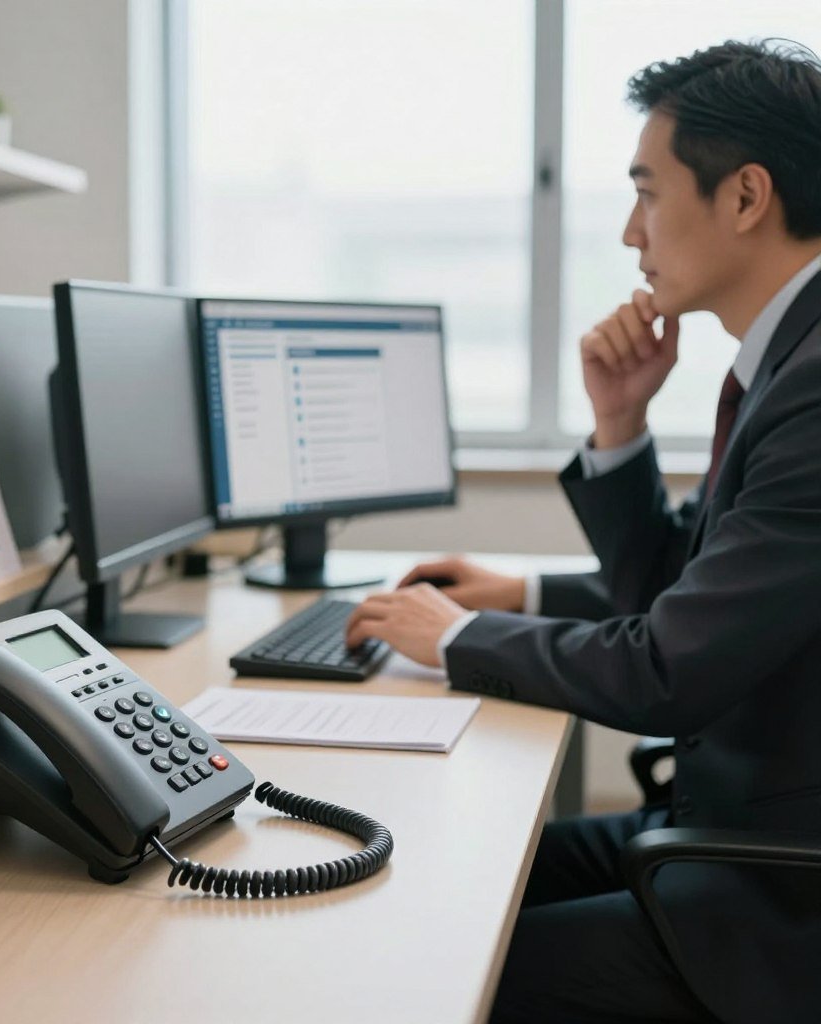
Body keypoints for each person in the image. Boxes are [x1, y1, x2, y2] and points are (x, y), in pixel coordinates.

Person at [346, 39, 821, 1024]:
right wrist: (619, 425)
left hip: (778, 903)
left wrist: (457, 639)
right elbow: (685, 590)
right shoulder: (786, 363)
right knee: (423, 870)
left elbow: (667, 668)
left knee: (417, 967)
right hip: (729, 835)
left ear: (743, 197)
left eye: (647, 192)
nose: (629, 233)